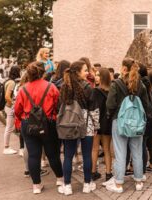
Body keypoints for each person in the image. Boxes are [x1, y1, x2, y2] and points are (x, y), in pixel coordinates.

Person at [105, 58, 152, 193]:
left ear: (124, 69)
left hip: (119, 122)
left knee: (120, 153)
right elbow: (147, 105)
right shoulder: (141, 85)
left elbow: (110, 105)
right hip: (137, 123)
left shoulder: (116, 84)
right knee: (137, 152)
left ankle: (119, 184)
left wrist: (113, 114)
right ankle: (138, 182)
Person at [14, 61, 63, 194]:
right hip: (48, 123)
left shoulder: (23, 89)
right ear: (42, 73)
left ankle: (36, 185)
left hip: (28, 124)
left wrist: (20, 120)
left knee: (33, 155)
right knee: (52, 153)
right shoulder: (51, 87)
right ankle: (60, 178)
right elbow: (58, 105)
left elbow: (17, 109)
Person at [58, 61, 99, 195]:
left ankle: (67, 186)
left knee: (68, 156)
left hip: (69, 124)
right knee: (87, 155)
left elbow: (61, 107)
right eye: (85, 70)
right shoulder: (88, 87)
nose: (87, 72)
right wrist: (96, 125)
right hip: (86, 124)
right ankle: (87, 184)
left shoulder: (65, 87)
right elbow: (93, 110)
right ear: (77, 72)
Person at [91, 68, 113, 182]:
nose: (96, 77)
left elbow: (94, 108)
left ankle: (94, 172)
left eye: (99, 75)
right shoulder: (112, 91)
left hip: (97, 123)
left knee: (97, 149)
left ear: (104, 77)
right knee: (106, 149)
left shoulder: (95, 91)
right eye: (96, 75)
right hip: (107, 123)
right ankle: (108, 173)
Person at [3, 66, 21, 155]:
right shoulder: (12, 83)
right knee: (9, 128)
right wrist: (14, 105)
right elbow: (7, 96)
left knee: (9, 127)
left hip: (8, 107)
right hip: (10, 107)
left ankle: (6, 146)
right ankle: (6, 147)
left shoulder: (8, 81)